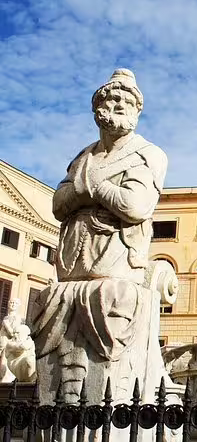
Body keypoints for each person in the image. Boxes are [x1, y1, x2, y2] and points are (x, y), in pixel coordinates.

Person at [32, 69, 168, 403]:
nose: (118, 105)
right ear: (98, 109)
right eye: (112, 99)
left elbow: (134, 205)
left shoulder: (149, 154)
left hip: (117, 261)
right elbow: (58, 203)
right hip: (75, 261)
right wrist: (98, 191)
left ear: (137, 111)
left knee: (112, 298)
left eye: (126, 101)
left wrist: (88, 187)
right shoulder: (82, 157)